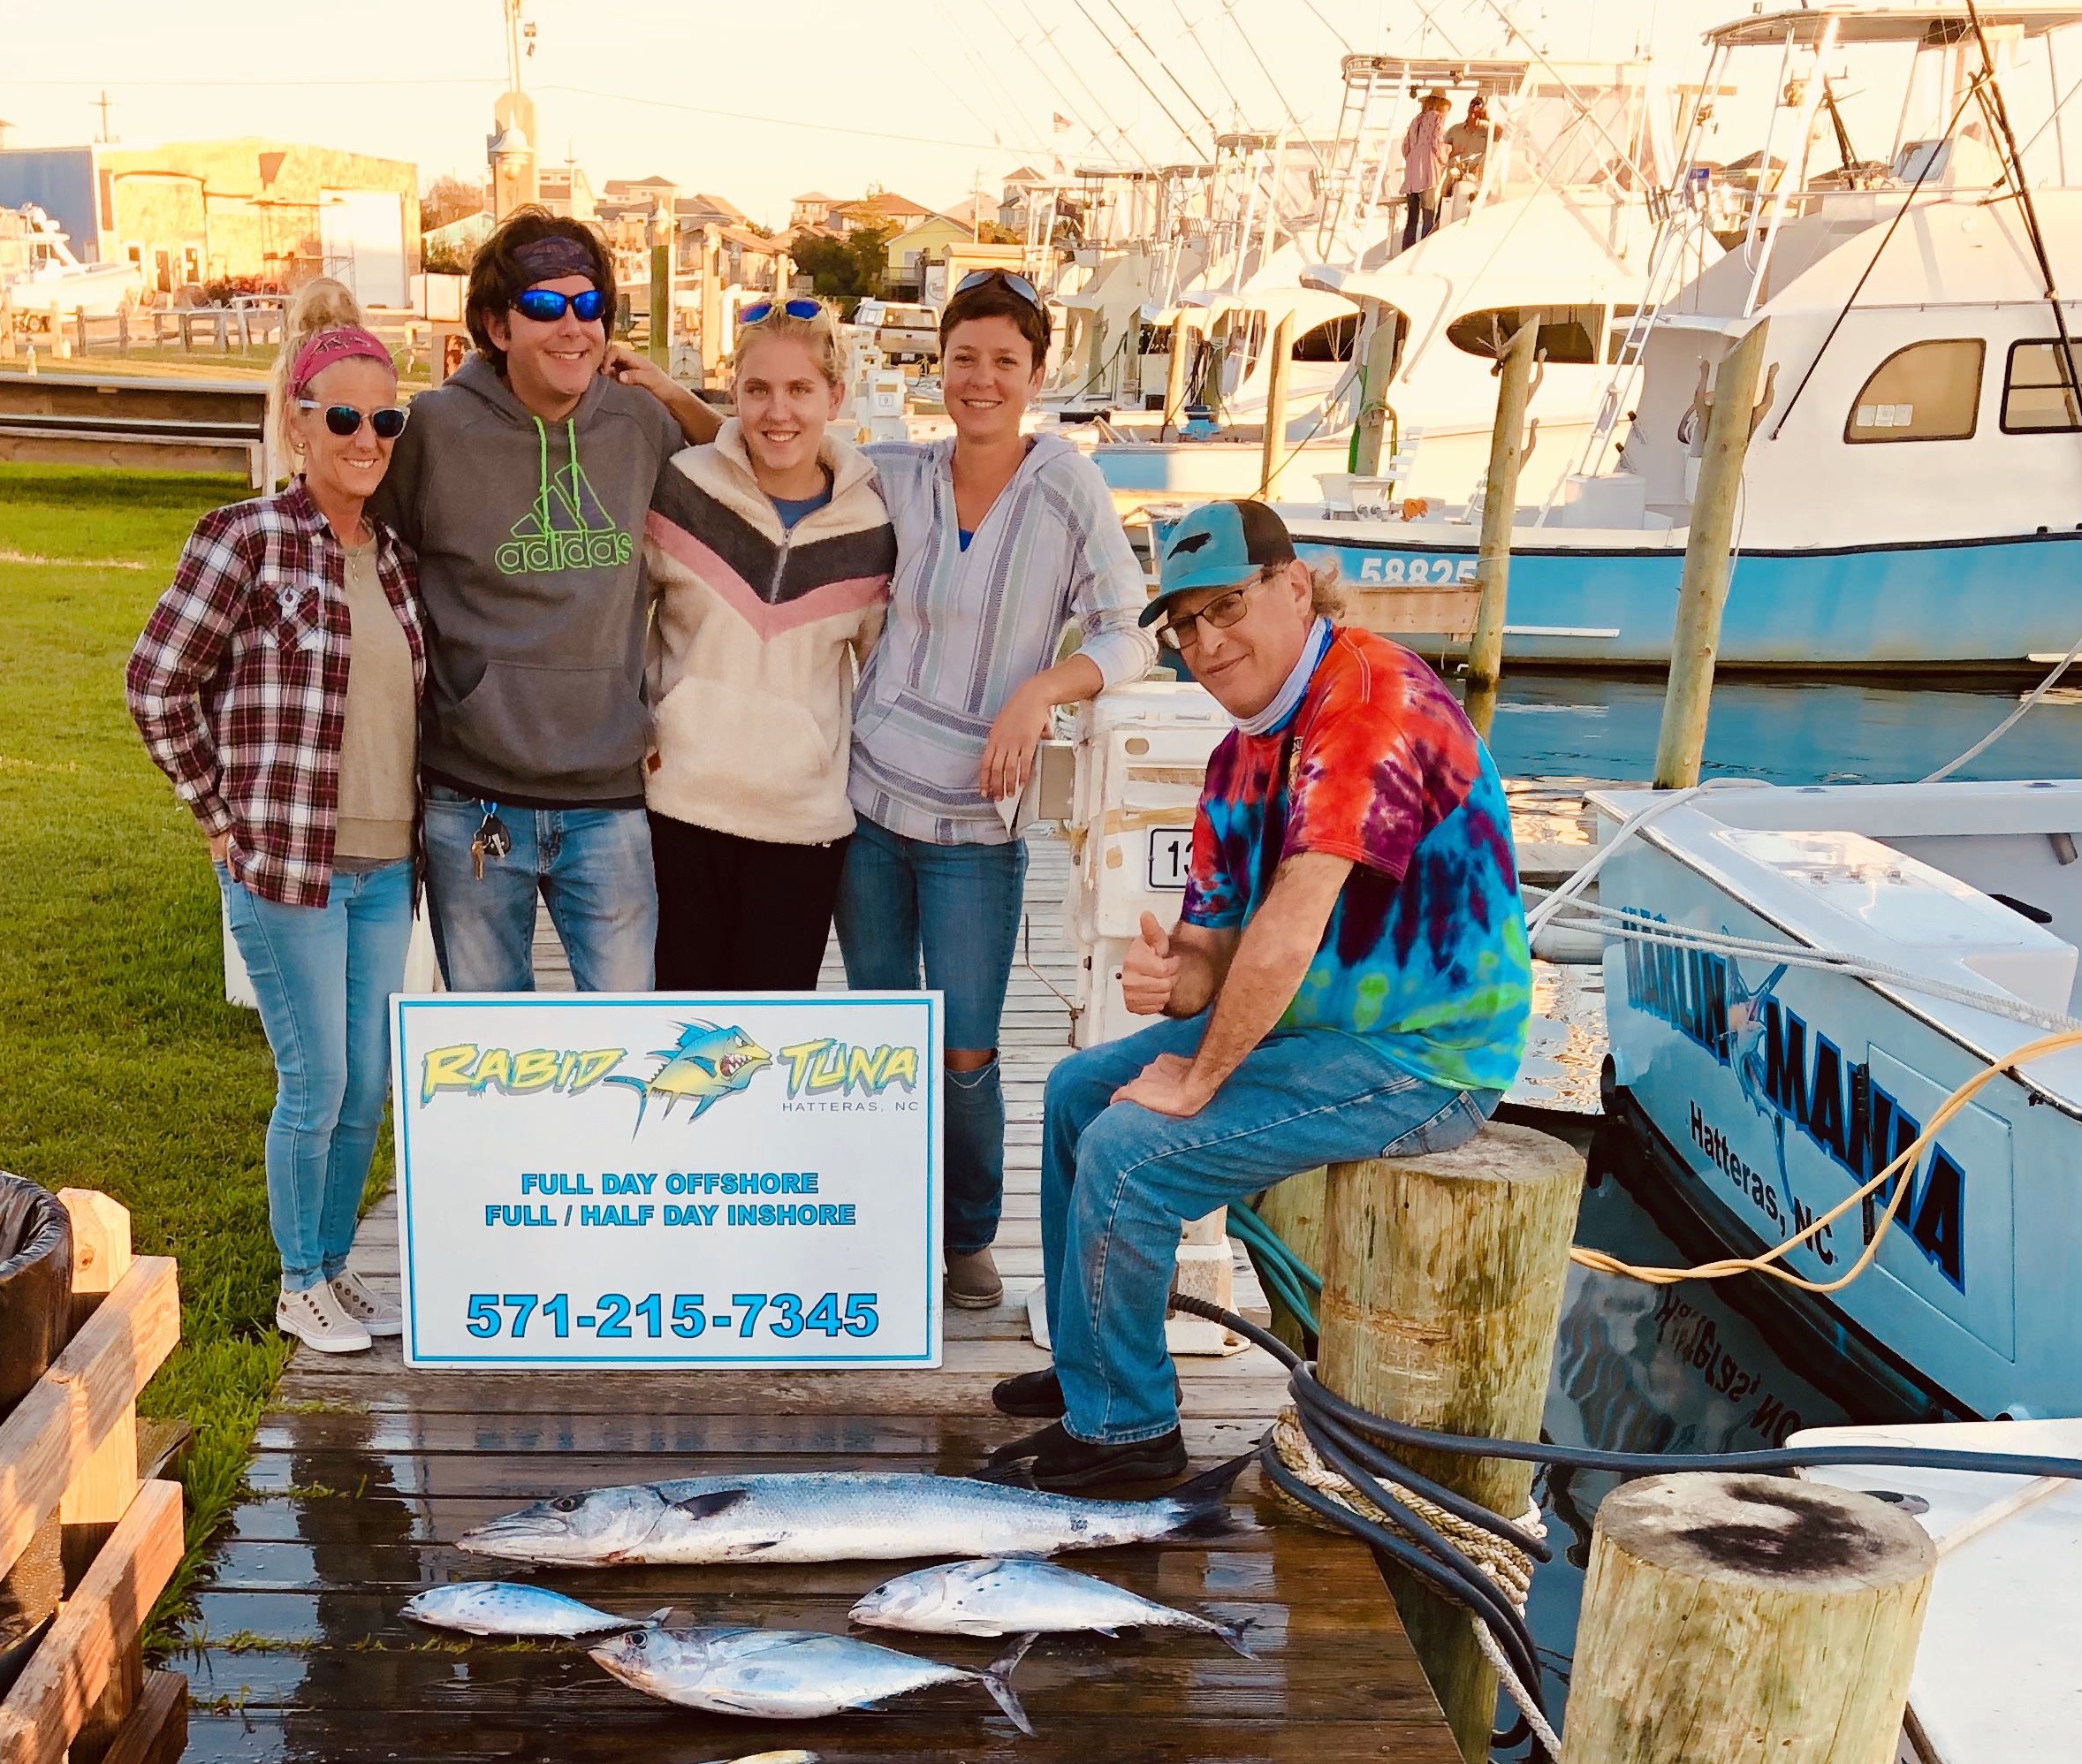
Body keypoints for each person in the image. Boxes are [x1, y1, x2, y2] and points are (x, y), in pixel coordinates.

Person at [995, 498, 1531, 1491]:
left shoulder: (1368, 699)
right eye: (1186, 624)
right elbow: (1214, 945)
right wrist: (1175, 980)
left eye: (1227, 607)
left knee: (1131, 1149)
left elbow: (1295, 914)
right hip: (1311, 1034)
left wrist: (1199, 1077)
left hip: (1422, 1059)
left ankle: (1130, 1435)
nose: (1206, 641)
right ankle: (1091, 1372)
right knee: (1078, 1094)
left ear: (1294, 585)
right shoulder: (1240, 752)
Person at [125, 286, 426, 1363]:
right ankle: (301, 1278)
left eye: (384, 420)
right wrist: (216, 816)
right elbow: (156, 683)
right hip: (285, 865)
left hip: (387, 869)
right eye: (341, 418)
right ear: (299, 424)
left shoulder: (390, 558)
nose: (364, 438)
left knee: (368, 1085)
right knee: (318, 1082)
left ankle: (336, 1267)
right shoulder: (246, 539)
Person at [840, 268, 1149, 1312]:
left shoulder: (1065, 483)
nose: (980, 379)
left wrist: (1040, 693)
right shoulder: (899, 473)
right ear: (939, 364)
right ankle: (884, 1230)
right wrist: (659, 395)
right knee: (884, 1037)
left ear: (1036, 373)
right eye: (962, 356)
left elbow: (1127, 630)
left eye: (1003, 362)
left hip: (980, 818)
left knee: (968, 1043)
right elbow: (776, 448)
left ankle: (965, 1235)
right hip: (871, 802)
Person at [372, 207, 718, 997]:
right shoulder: (434, 428)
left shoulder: (639, 423)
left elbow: (749, 478)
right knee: (492, 1053)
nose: (573, 327)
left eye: (589, 306)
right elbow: (359, 544)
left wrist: (673, 393)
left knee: (628, 1042)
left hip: (609, 797)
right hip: (473, 798)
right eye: (543, 307)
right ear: (497, 325)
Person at [639, 299, 895, 992]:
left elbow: (878, 671)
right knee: (679, 1038)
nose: (778, 412)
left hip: (801, 831)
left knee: (764, 1058)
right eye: (758, 390)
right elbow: (625, 624)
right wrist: (646, 732)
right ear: (733, 395)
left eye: (799, 390)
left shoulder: (870, 527)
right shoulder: (684, 489)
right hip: (678, 812)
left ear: (835, 397)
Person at [1399, 89, 1452, 248]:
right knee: (1428, 213)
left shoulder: (1416, 120)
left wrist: (1414, 156)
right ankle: (1423, 249)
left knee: (1412, 217)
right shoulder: (1438, 118)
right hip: (1428, 167)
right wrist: (1447, 152)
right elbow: (1436, 143)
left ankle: (1406, 249)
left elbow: (1405, 147)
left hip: (1412, 169)